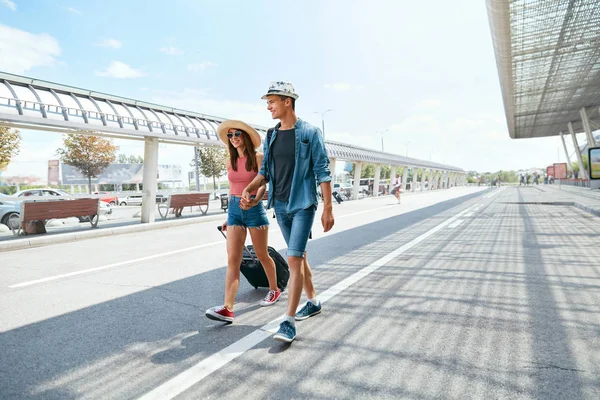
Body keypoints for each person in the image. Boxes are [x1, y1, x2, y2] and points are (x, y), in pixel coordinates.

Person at [242, 81, 334, 343]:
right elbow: (266, 174)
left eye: (271, 101)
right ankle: (313, 302)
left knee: (293, 259)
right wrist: (250, 190)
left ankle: (288, 321)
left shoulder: (309, 133)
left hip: (304, 203)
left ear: (287, 101)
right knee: (300, 258)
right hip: (280, 206)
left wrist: (328, 208)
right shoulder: (271, 135)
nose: (268, 106)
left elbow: (323, 172)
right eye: (267, 102)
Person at [205, 120, 281, 323]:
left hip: (254, 209)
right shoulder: (229, 161)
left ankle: (274, 289)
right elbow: (233, 189)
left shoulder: (258, 157)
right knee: (233, 260)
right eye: (230, 135)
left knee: (262, 255)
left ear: (245, 136)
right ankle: (228, 308)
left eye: (237, 133)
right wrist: (228, 217)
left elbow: (263, 183)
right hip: (234, 210)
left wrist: (256, 199)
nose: (234, 138)